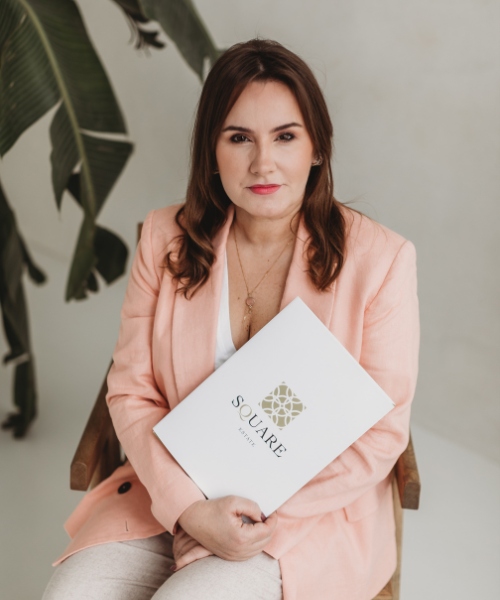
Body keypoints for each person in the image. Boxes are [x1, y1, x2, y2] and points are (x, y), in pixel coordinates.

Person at [42, 39, 419, 600]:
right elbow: (130, 391)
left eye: (285, 137)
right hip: (167, 494)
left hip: (302, 521)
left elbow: (381, 433)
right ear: (211, 152)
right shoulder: (165, 239)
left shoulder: (382, 261)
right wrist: (190, 510)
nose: (263, 163)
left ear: (317, 147)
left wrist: (250, 525)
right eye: (239, 138)